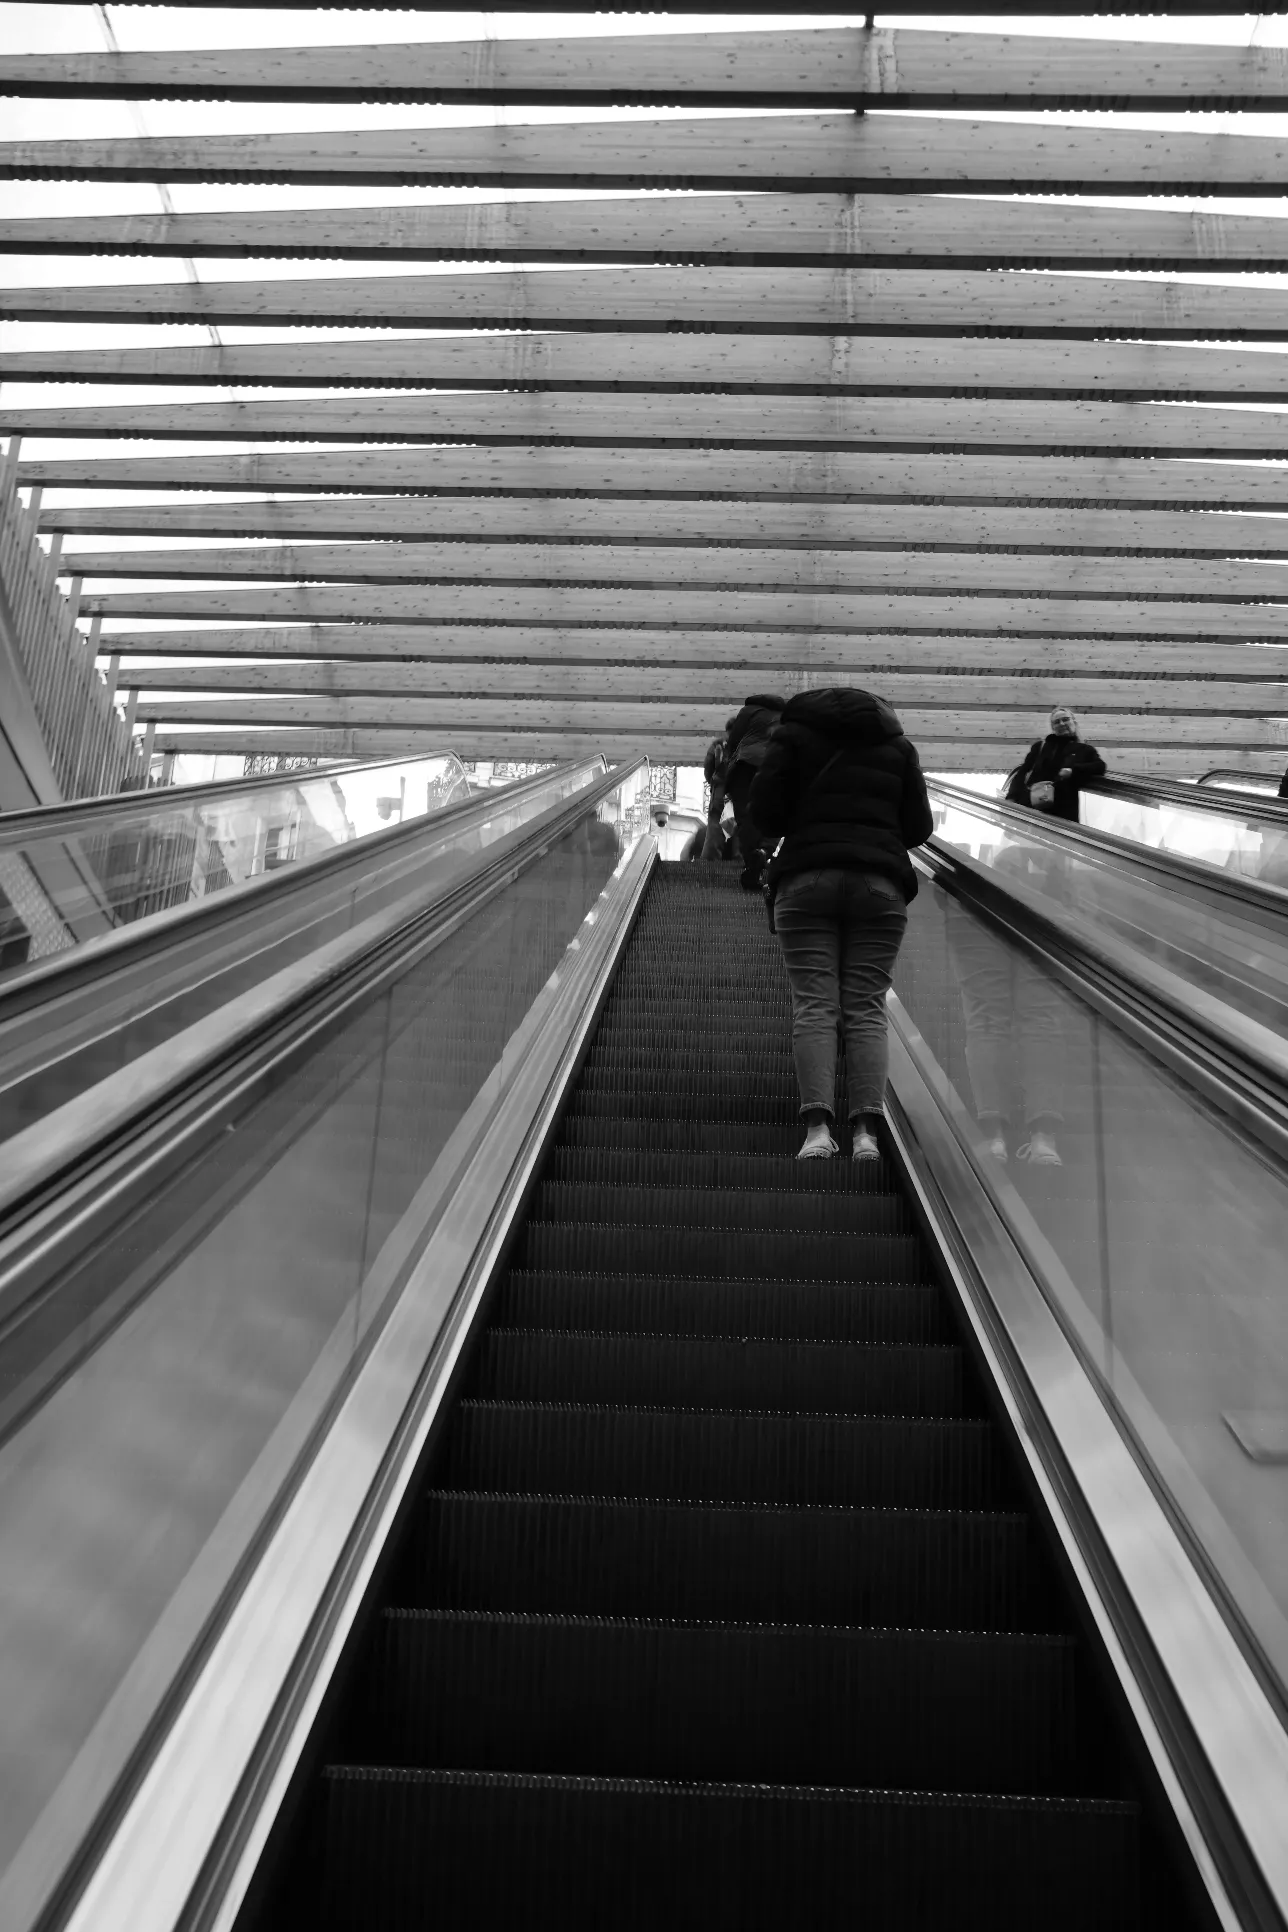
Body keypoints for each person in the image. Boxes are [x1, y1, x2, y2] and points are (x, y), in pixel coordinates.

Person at [749, 686, 933, 1160]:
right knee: (867, 1007)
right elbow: (918, 828)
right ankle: (867, 1134)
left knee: (815, 1003)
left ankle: (816, 1132)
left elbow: (766, 815)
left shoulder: (790, 737)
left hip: (807, 879)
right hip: (880, 885)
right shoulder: (898, 747)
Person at [722, 693, 786, 887]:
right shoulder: (785, 715)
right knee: (775, 812)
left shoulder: (748, 710)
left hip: (746, 765)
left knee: (745, 814)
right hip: (775, 765)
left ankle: (752, 860)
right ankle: (764, 851)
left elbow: (734, 739)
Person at [1005, 705, 1105, 822]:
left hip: (1062, 814)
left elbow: (1100, 766)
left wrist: (1073, 771)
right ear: (1053, 727)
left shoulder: (1085, 750)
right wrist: (1011, 798)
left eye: (1066, 719)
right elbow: (1023, 771)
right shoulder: (1040, 747)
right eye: (1057, 722)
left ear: (1074, 722)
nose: (1062, 724)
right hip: (1031, 807)